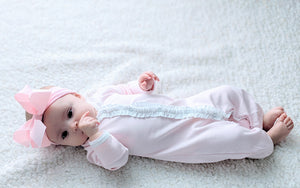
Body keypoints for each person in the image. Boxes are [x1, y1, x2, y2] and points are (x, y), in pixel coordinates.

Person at [14, 71, 294, 171]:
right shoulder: (96, 149)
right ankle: (266, 140)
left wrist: (144, 85)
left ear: (77, 96)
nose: (73, 127)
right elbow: (117, 160)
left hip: (188, 106)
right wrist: (97, 136)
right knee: (227, 140)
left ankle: (257, 118)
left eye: (70, 113)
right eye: (64, 135)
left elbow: (131, 90)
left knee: (228, 94)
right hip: (186, 141)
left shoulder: (104, 95)